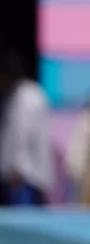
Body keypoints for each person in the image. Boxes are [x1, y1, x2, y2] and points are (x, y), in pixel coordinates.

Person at [0, 51, 54, 206]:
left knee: (23, 221)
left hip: (23, 177)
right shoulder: (23, 94)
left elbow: (21, 135)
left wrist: (17, 169)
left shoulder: (25, 98)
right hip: (25, 175)